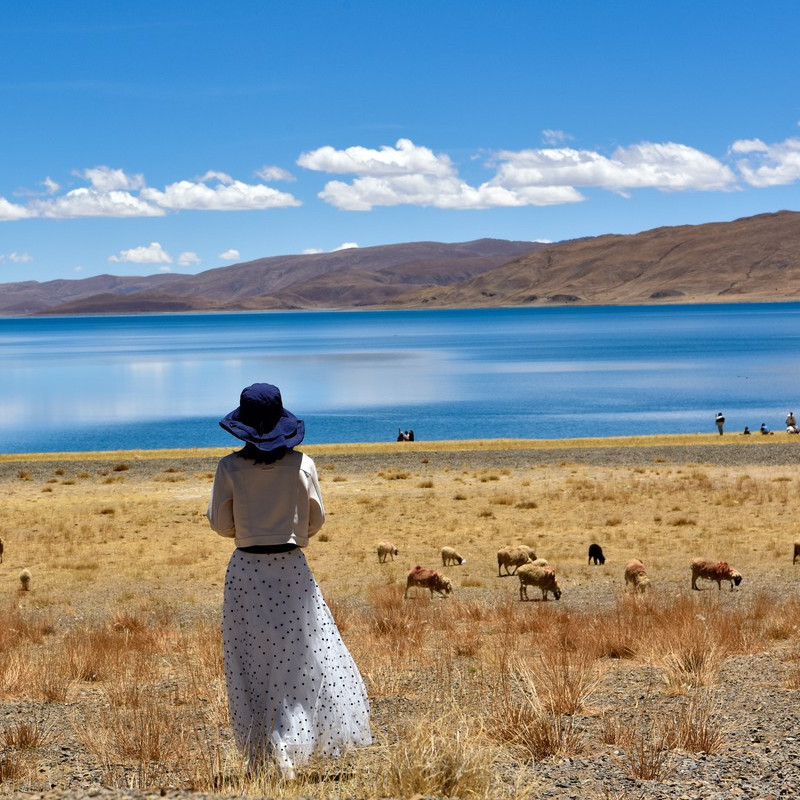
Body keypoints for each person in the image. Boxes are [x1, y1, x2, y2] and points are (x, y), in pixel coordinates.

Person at [207, 383, 371, 778]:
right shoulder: (303, 465)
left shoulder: (229, 468)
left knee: (254, 664)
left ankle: (272, 753)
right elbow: (316, 520)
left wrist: (250, 530)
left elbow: (219, 523)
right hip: (292, 571)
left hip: (247, 572)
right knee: (301, 662)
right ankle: (293, 748)